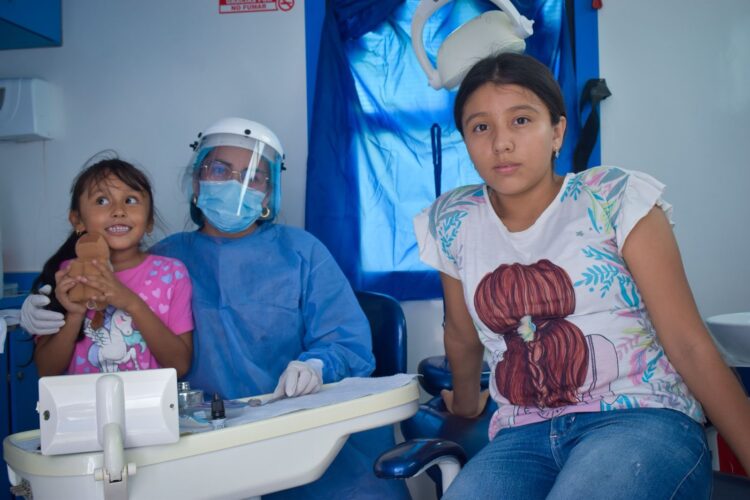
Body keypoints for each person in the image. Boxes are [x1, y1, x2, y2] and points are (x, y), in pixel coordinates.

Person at [413, 52, 750, 499]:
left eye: (520, 120)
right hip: (522, 434)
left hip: (641, 418)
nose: (501, 143)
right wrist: (466, 402)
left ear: (557, 131)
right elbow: (461, 333)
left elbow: (689, 344)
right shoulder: (454, 220)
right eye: (481, 127)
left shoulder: (616, 199)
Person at [22, 118, 409, 499]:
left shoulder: (302, 252)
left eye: (253, 176)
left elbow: (347, 341)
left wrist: (316, 366)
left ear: (269, 194)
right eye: (220, 170)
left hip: (299, 428)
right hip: (201, 440)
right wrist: (43, 305)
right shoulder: (165, 262)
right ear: (197, 182)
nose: (235, 185)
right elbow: (106, 274)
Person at [31, 157, 193, 377]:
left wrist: (131, 303)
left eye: (131, 200)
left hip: (149, 400)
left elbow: (180, 366)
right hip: (82, 400)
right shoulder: (65, 275)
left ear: (149, 221)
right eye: (102, 200)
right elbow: (47, 370)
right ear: (77, 221)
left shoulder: (171, 274)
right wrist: (75, 314)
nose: (118, 210)